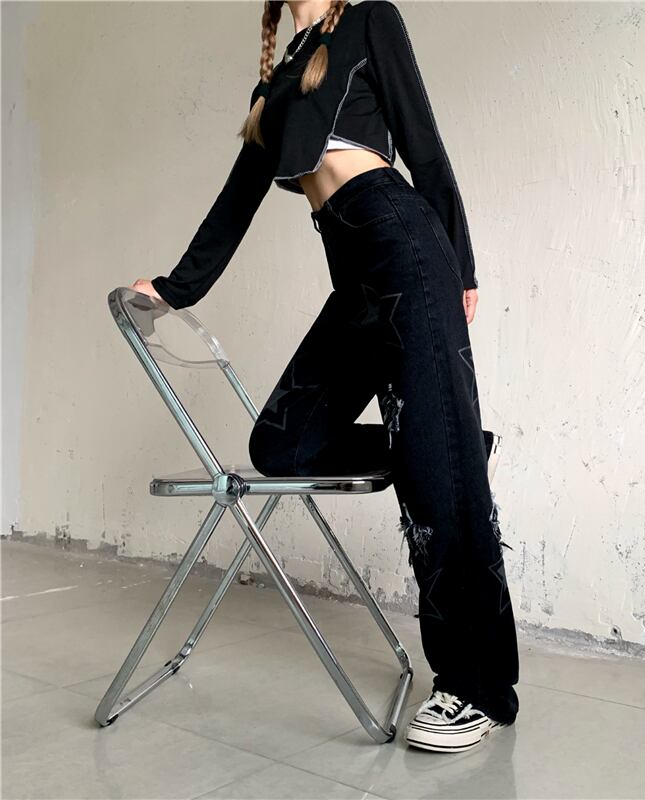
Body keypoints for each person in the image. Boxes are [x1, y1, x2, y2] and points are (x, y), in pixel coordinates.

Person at [130, 0, 519, 753]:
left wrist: (463, 268)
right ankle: (451, 442)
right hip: (354, 276)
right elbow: (239, 198)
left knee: (435, 479)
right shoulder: (277, 76)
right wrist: (175, 287)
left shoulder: (370, 18)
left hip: (402, 245)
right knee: (282, 446)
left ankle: (475, 686)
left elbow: (425, 148)